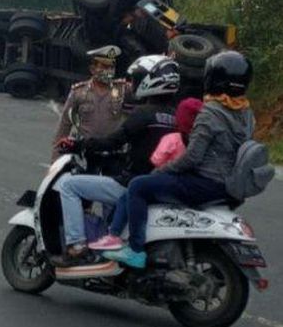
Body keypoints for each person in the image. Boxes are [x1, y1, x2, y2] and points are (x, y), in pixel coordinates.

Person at [104, 51, 254, 269]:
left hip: (205, 182)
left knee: (138, 185)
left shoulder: (210, 113)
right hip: (228, 185)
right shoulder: (246, 113)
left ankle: (135, 250)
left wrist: (162, 171)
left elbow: (192, 157)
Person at [50, 55, 180, 267]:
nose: (134, 84)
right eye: (102, 65)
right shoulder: (175, 117)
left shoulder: (141, 112)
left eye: (139, 79)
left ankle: (76, 246)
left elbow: (112, 141)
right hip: (157, 183)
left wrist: (79, 145)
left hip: (129, 178)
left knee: (68, 186)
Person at [89, 97, 203, 252]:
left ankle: (118, 237)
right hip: (186, 182)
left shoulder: (172, 138)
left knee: (132, 191)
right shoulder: (198, 141)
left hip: (163, 178)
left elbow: (156, 159)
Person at [52, 45, 127, 161]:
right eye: (104, 67)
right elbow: (64, 126)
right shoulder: (79, 92)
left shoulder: (123, 90)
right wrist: (55, 161)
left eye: (111, 67)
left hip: (114, 153)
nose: (109, 71)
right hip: (86, 153)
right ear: (92, 69)